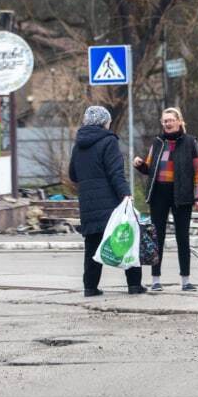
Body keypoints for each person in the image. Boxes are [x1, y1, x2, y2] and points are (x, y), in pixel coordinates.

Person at [68, 105, 147, 297]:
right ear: (105, 122)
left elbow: (72, 174)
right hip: (109, 201)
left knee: (93, 244)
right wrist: (126, 194)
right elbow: (115, 172)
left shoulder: (78, 144)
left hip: (87, 202)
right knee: (126, 238)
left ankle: (90, 287)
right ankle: (134, 284)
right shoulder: (108, 141)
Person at [133, 107, 198, 292]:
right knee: (157, 237)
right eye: (165, 121)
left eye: (171, 120)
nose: (168, 123)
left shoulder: (190, 142)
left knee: (182, 237)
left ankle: (185, 281)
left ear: (179, 121)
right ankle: (156, 280)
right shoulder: (157, 143)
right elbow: (150, 168)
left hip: (183, 194)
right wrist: (140, 165)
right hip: (159, 194)